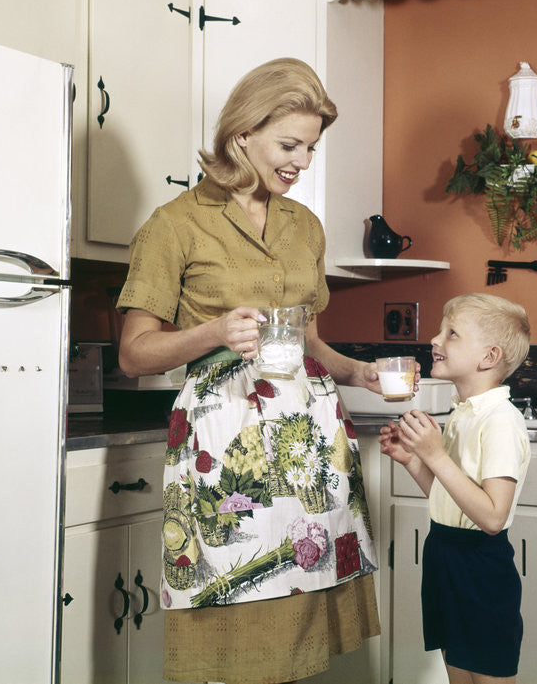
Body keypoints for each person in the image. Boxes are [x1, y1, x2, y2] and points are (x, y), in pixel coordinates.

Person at [116, 58, 386, 684]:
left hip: (308, 439)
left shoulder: (304, 227)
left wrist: (357, 373)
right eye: (290, 144)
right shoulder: (175, 225)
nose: (302, 161)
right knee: (236, 599)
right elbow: (134, 353)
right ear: (242, 135)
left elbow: (311, 341)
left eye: (311, 148)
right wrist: (213, 333)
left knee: (302, 614)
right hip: (227, 441)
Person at [379, 293, 531, 684]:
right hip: (444, 554)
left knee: (488, 675)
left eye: (452, 334)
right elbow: (454, 499)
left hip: (480, 566)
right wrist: (415, 459)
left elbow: (492, 517)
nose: (435, 340)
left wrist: (436, 454)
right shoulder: (463, 412)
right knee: (458, 675)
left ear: (488, 357)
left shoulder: (500, 421)